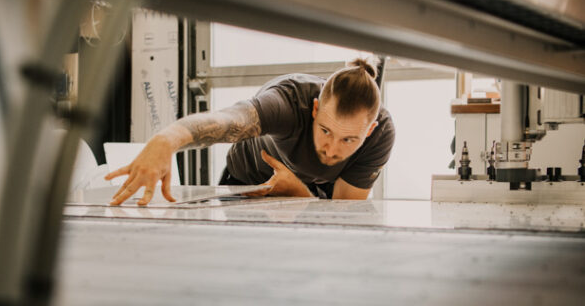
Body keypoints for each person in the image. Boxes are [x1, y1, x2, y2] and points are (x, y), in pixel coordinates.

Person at [105, 58, 395, 206]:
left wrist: (298, 192)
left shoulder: (381, 134)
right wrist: (166, 140)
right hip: (248, 180)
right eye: (325, 131)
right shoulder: (288, 103)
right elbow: (228, 119)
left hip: (312, 190)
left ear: (369, 130)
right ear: (315, 110)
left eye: (349, 140)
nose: (332, 149)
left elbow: (342, 217)